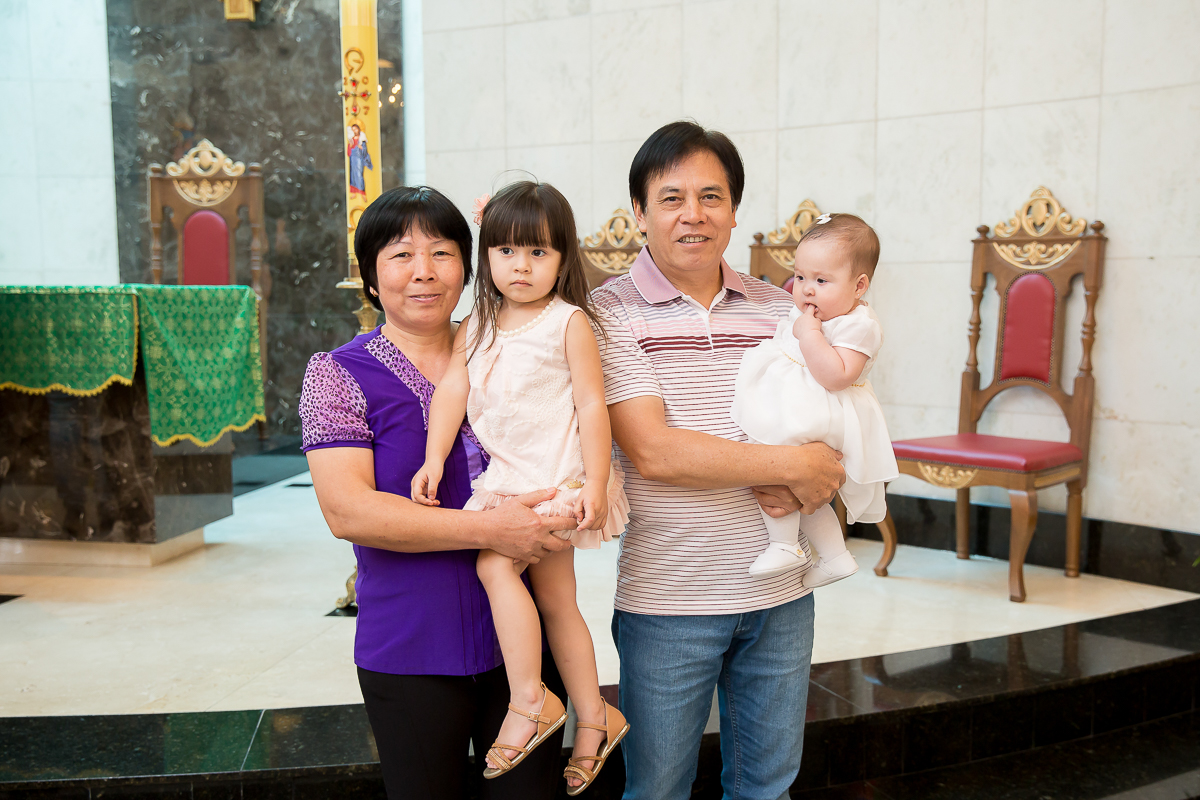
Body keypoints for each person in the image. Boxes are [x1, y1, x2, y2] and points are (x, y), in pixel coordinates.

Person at [298, 186, 579, 800]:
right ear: (372, 277)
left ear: (468, 265)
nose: (423, 271)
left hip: (523, 642)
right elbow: (348, 511)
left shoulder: (519, 347)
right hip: (409, 647)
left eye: (443, 252)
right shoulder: (336, 374)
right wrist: (491, 530)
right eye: (401, 255)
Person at [592, 120, 846, 800]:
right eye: (671, 197)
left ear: (735, 211)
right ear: (639, 214)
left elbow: (828, 428)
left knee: (767, 789)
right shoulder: (608, 313)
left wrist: (819, 468)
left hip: (782, 595)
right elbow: (655, 451)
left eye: (711, 196)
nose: (693, 214)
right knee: (658, 790)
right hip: (670, 598)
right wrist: (790, 467)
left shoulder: (779, 309)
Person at [412, 181, 630, 795]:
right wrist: (432, 459)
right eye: (506, 251)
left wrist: (597, 480)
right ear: (487, 257)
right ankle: (595, 717)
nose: (522, 266)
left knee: (494, 566)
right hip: (510, 483)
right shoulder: (478, 321)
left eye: (538, 253)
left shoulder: (569, 322)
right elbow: (453, 389)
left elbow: (592, 404)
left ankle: (532, 700)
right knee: (558, 602)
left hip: (559, 478)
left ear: (563, 258)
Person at [731, 213, 900, 585]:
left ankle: (783, 544)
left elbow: (836, 376)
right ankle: (835, 556)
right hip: (806, 404)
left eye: (822, 280)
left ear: (859, 286)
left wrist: (809, 334)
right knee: (792, 478)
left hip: (828, 409)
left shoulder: (860, 324)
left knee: (778, 462)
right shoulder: (816, 312)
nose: (806, 289)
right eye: (801, 276)